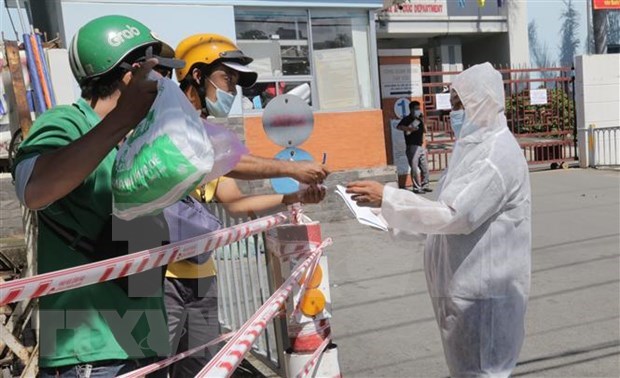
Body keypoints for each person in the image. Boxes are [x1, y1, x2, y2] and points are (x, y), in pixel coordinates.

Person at [12, 15, 182, 377]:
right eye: (160, 72)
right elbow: (33, 189)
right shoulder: (66, 123)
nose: (167, 83)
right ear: (130, 75)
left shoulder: (138, 139)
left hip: (143, 340)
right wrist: (122, 118)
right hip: (90, 351)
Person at [346, 62, 531, 378]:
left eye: (460, 105)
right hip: (462, 292)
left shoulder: (495, 156)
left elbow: (454, 215)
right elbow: (439, 216)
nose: (453, 114)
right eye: (453, 105)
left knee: (483, 371)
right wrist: (385, 214)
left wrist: (390, 199)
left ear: (483, 101)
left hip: (483, 298)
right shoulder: (472, 150)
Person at [158, 36, 327, 377]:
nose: (232, 90)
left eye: (236, 83)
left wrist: (292, 196)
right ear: (195, 75)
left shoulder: (210, 133)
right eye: (227, 78)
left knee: (203, 366)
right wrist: (290, 168)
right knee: (154, 365)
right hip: (159, 276)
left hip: (202, 274)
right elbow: (232, 162)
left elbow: (235, 202)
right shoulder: (169, 125)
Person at [396, 100, 431, 193]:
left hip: (420, 146)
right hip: (412, 146)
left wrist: (423, 120)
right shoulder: (407, 119)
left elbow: (425, 131)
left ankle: (425, 184)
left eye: (419, 108)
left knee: (425, 167)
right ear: (411, 109)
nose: (418, 110)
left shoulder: (419, 119)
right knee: (415, 168)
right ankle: (416, 187)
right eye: (416, 109)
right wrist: (409, 128)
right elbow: (398, 127)